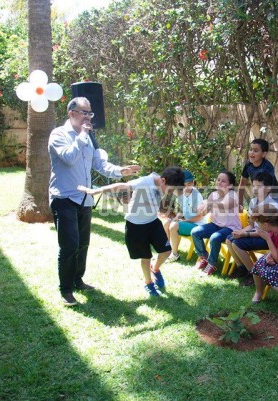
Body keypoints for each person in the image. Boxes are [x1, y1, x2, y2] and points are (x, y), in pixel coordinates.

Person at [49, 97, 140, 306]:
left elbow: (99, 164)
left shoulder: (88, 137)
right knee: (69, 245)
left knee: (83, 243)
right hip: (64, 197)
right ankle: (65, 289)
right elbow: (68, 157)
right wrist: (82, 135)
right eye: (84, 112)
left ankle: (77, 279)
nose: (88, 117)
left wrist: (120, 171)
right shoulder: (58, 134)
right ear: (71, 112)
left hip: (85, 198)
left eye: (90, 113)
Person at [78, 166, 185, 297]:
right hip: (136, 226)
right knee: (146, 257)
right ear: (163, 180)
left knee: (167, 251)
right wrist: (94, 191)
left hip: (153, 222)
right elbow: (121, 185)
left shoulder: (164, 182)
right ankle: (148, 283)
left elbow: (159, 200)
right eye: (170, 190)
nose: (169, 193)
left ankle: (155, 269)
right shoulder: (144, 182)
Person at [225, 171, 278, 286]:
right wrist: (240, 231)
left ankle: (253, 274)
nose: (255, 189)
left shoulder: (272, 206)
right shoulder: (253, 202)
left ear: (269, 188)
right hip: (257, 232)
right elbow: (251, 224)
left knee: (237, 243)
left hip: (269, 239)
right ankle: (242, 269)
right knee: (229, 238)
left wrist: (245, 235)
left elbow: (267, 232)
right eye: (253, 186)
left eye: (259, 186)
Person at [192, 171, 242, 276]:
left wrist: (208, 202)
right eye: (218, 179)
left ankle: (212, 263)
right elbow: (204, 212)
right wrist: (201, 207)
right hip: (215, 225)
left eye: (223, 181)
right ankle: (204, 257)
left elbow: (224, 206)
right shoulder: (213, 195)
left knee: (215, 237)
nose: (219, 182)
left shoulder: (233, 195)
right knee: (195, 232)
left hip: (230, 228)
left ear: (230, 185)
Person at [161, 170, 207, 263]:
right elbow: (183, 211)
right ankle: (167, 251)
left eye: (189, 184)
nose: (186, 187)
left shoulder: (196, 196)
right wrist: (177, 217)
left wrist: (183, 222)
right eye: (184, 185)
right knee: (167, 223)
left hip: (198, 225)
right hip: (188, 222)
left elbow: (200, 217)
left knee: (174, 226)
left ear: (193, 183)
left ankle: (175, 254)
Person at [238, 138, 278, 208]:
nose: (251, 152)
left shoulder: (267, 167)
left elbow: (269, 188)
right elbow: (242, 184)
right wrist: (239, 204)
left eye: (255, 151)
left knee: (268, 215)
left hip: (272, 195)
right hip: (260, 194)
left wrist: (262, 204)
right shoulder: (248, 165)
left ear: (264, 154)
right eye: (250, 149)